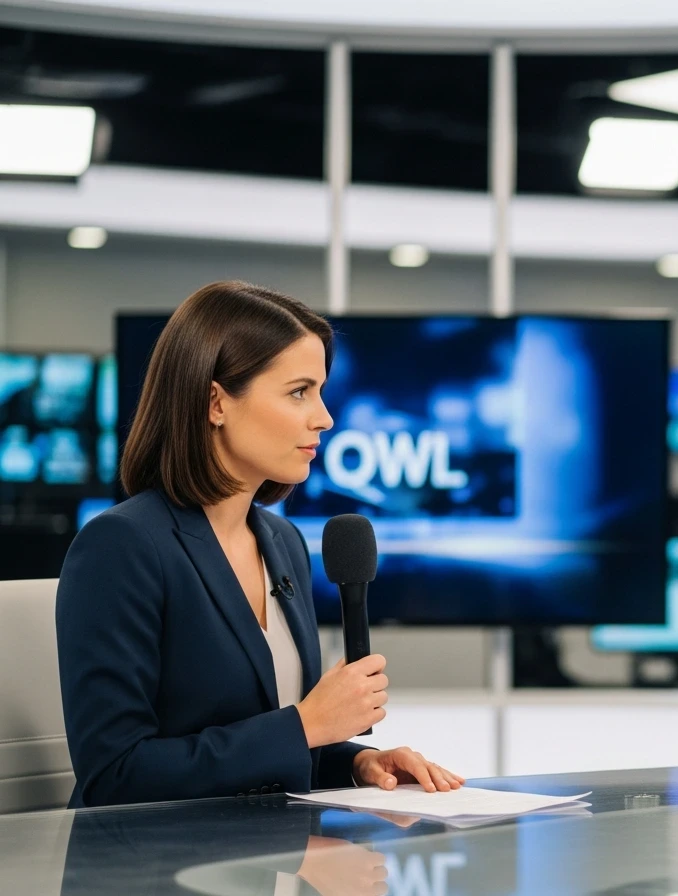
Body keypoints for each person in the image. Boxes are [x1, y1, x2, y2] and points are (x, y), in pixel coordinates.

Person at [56, 281, 464, 808]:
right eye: (299, 392)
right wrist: (305, 726)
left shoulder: (283, 541)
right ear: (216, 402)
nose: (325, 417)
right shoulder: (121, 547)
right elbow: (113, 775)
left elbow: (273, 742)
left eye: (320, 391)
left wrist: (355, 763)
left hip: (268, 868)